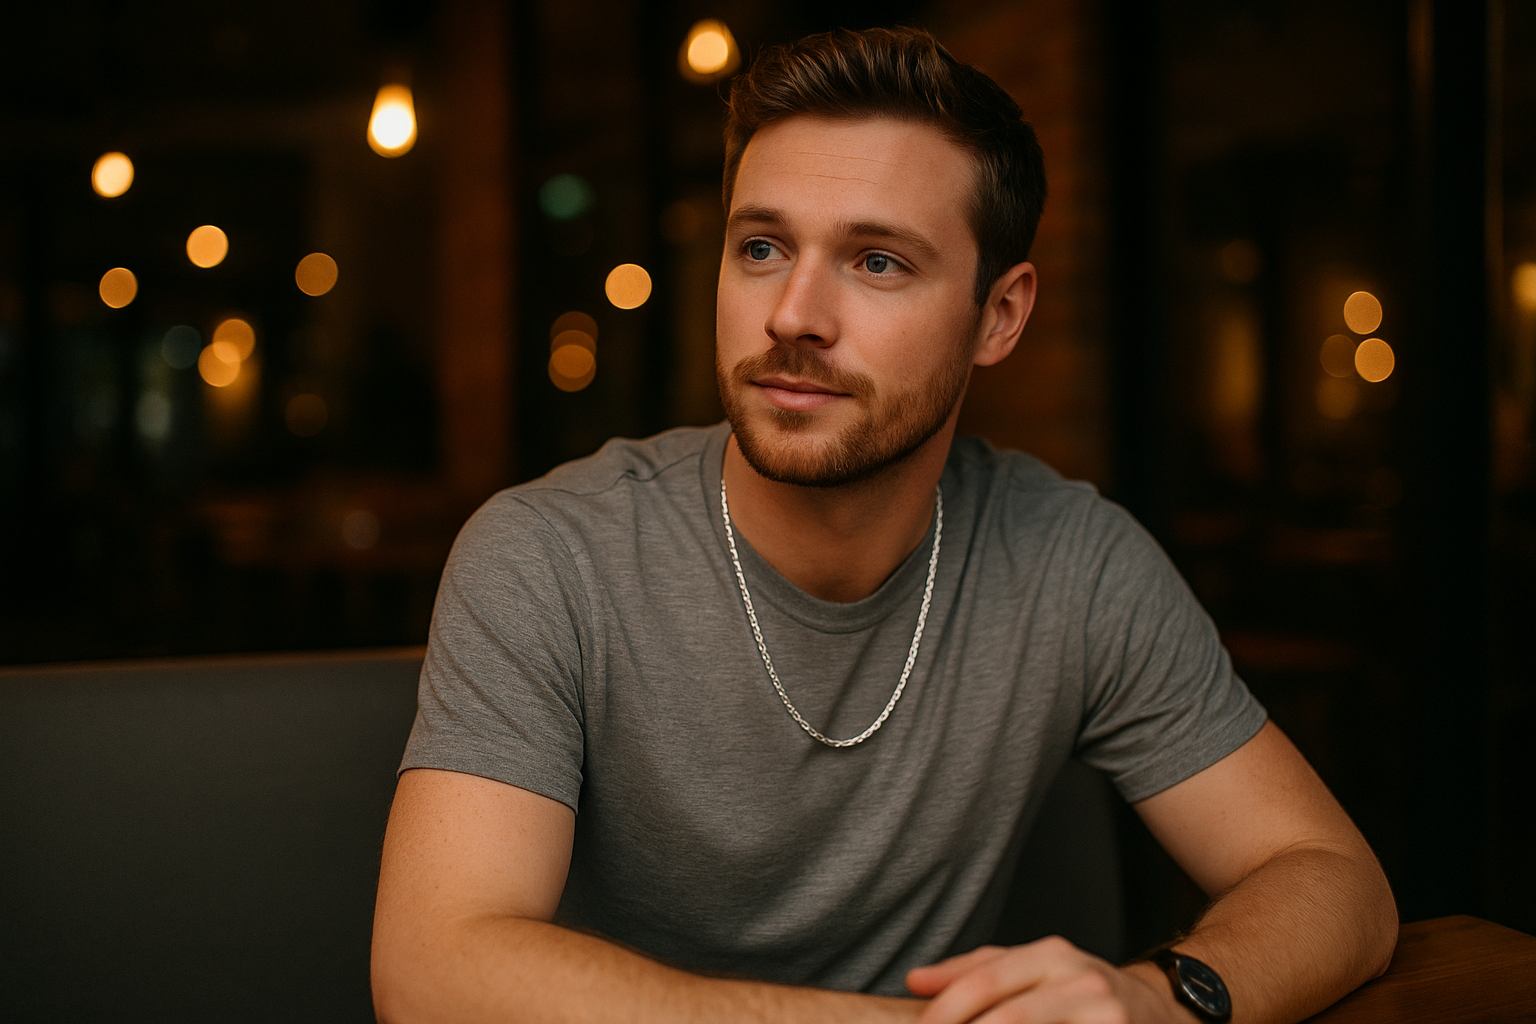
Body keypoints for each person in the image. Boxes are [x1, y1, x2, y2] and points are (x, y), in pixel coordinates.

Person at [371, 26, 1396, 1024]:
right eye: (762, 247)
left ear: (1000, 315)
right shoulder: (551, 554)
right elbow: (433, 971)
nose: (793, 314)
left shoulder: (1072, 563)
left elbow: (1336, 880)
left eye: (877, 263)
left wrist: (1157, 996)